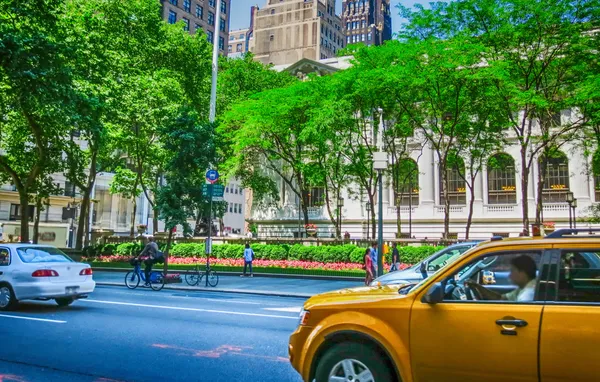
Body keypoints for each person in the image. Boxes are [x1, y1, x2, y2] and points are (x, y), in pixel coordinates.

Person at [466, 255, 537, 302]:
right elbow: (500, 298)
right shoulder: (523, 288)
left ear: (522, 273)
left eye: (512, 271)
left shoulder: (527, 294)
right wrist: (477, 286)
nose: (510, 275)